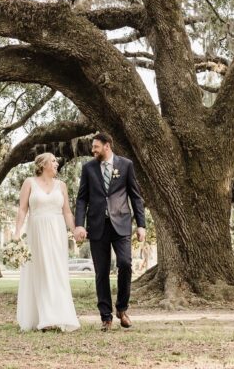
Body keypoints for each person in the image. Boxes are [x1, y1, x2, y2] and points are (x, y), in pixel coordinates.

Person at [74, 132, 146, 331]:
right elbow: (82, 198)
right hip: (97, 226)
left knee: (125, 264)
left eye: (96, 146)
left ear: (107, 146)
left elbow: (135, 196)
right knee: (101, 272)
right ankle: (105, 316)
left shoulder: (126, 165)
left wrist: (141, 225)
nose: (93, 150)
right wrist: (79, 224)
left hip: (121, 224)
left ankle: (122, 309)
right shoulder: (88, 168)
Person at [14, 152, 81, 332]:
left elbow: (67, 211)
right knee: (41, 272)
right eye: (53, 161)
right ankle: (44, 317)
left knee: (56, 272)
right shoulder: (29, 183)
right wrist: (17, 232)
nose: (56, 163)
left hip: (57, 232)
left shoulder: (62, 186)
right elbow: (22, 210)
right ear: (43, 164)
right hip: (36, 231)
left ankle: (58, 316)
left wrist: (74, 230)